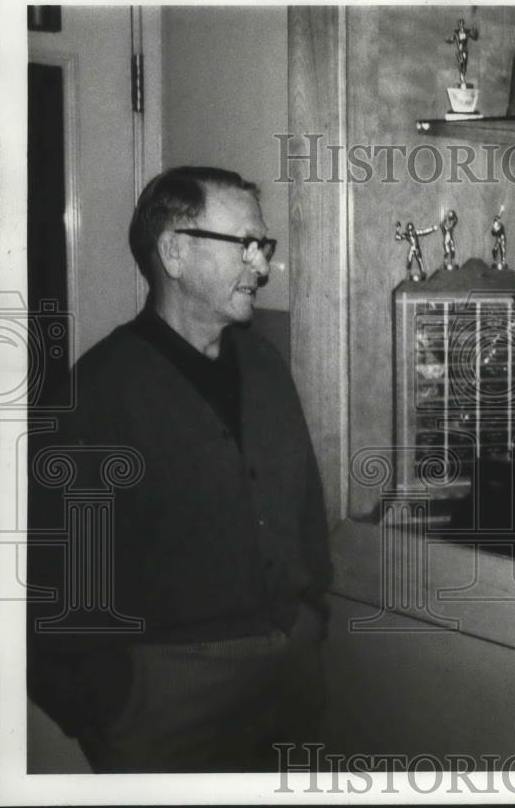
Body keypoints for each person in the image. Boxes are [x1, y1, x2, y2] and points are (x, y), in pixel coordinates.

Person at [28, 166, 332, 773]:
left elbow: (304, 512)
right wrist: (112, 712)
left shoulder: (265, 366)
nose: (263, 266)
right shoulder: (98, 392)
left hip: (288, 680)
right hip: (167, 699)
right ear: (174, 252)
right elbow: (52, 583)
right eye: (245, 244)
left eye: (263, 246)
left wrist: (310, 619)